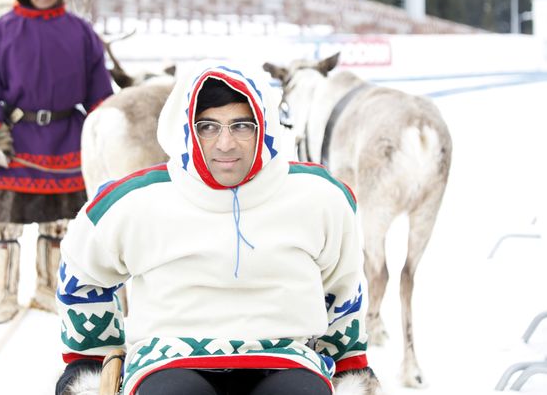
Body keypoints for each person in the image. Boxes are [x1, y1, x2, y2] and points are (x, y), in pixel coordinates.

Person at [55, 63, 375, 395]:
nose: (225, 143)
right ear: (186, 129)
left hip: (285, 357)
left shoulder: (318, 197)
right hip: (169, 361)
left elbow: (343, 284)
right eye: (208, 127)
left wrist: (348, 361)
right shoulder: (137, 200)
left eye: (242, 126)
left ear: (265, 126)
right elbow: (82, 271)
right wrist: (88, 358)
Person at [0, 0, 113, 324]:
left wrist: (104, 128)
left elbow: (99, 88)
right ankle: (3, 295)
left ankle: (49, 290)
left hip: (67, 137)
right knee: (4, 224)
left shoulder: (80, 32)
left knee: (59, 223)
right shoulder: (4, 30)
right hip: (15, 138)